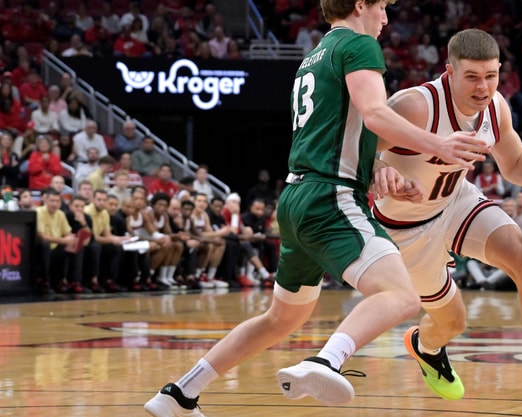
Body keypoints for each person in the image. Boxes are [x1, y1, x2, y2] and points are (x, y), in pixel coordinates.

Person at [145, 1, 491, 415]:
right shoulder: (359, 44)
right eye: (381, 7)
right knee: (401, 295)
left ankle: (180, 394)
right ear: (361, 4)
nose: (384, 18)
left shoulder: (314, 55)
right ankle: (326, 361)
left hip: (297, 197)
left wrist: (378, 166)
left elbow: (337, 131)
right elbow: (375, 113)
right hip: (330, 195)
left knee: (281, 319)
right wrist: (438, 143)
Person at [372, 29, 522, 416]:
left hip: (456, 200)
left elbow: (515, 165)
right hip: (406, 227)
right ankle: (425, 346)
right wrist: (377, 170)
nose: (483, 87)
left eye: (491, 76)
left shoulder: (495, 107)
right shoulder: (415, 106)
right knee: (452, 321)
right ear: (449, 72)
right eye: (472, 77)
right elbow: (350, 150)